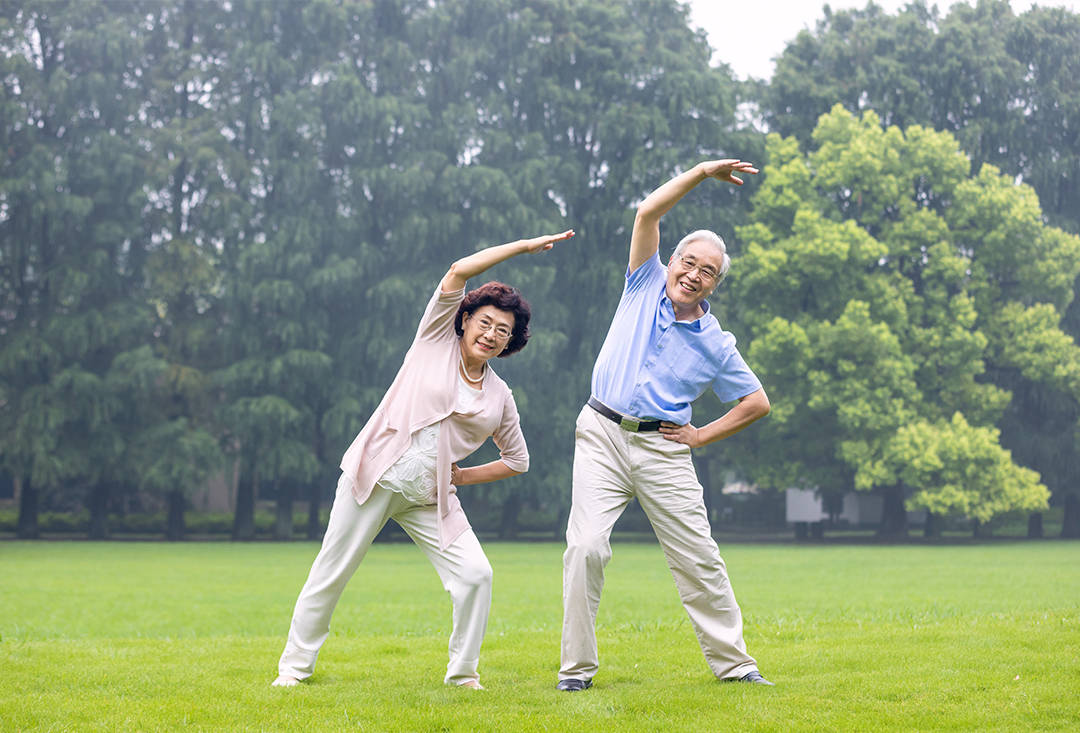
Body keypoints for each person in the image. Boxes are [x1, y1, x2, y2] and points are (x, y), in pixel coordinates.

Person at [273, 229, 574, 690]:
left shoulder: (499, 397)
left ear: (511, 342)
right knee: (331, 572)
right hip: (373, 477)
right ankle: (294, 669)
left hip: (430, 498)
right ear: (466, 318)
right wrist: (523, 248)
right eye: (486, 322)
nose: (492, 335)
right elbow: (458, 270)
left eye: (504, 331)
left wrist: (461, 476)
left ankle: (462, 675)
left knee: (476, 576)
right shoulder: (434, 340)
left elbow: (517, 460)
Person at [557, 160, 773, 692]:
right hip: (602, 434)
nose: (693, 274)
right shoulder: (643, 282)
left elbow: (756, 402)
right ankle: (576, 673)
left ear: (715, 285)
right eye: (688, 261)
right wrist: (702, 173)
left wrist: (701, 435)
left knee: (699, 558)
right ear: (672, 260)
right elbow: (648, 210)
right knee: (585, 548)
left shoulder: (717, 344)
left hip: (663, 450)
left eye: (707, 272)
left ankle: (736, 666)